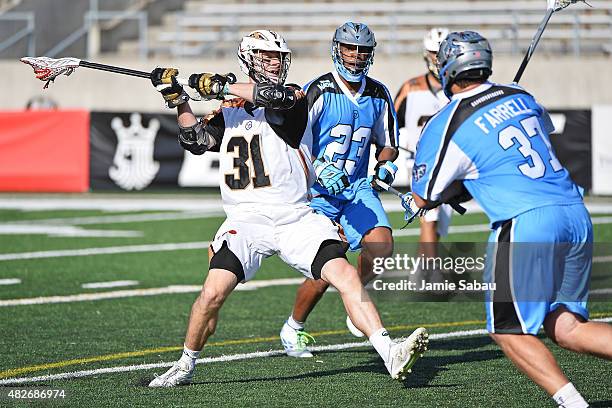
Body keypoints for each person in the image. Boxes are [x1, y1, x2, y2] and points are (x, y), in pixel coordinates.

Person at [147, 30, 428, 387]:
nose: (276, 64)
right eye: (267, 57)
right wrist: (178, 100)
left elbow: (271, 96)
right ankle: (185, 364)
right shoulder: (230, 108)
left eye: (279, 57)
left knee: (345, 275)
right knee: (212, 294)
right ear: (248, 58)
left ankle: (390, 351)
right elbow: (197, 142)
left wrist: (215, 85)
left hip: (295, 214)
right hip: (246, 219)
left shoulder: (293, 98)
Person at [409, 31, 612, 407]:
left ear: (447, 68)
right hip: (574, 214)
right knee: (567, 328)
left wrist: (435, 194)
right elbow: (530, 144)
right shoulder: (520, 96)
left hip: (526, 222)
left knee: (507, 330)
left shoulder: (447, 121)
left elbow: (427, 195)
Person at [278, 22, 403, 357]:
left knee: (381, 244)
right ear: (337, 48)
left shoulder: (378, 93)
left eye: (363, 50)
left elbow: (388, 143)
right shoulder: (318, 90)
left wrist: (387, 164)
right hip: (317, 192)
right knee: (327, 267)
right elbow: (294, 141)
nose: (356, 55)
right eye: (350, 48)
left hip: (356, 188)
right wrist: (319, 167)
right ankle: (293, 327)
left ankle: (356, 300)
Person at [394, 28, 453, 283]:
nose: (437, 58)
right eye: (433, 52)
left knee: (440, 222)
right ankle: (432, 272)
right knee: (431, 213)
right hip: (419, 160)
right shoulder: (411, 87)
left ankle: (420, 269)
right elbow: (389, 120)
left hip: (450, 161)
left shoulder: (457, 88)